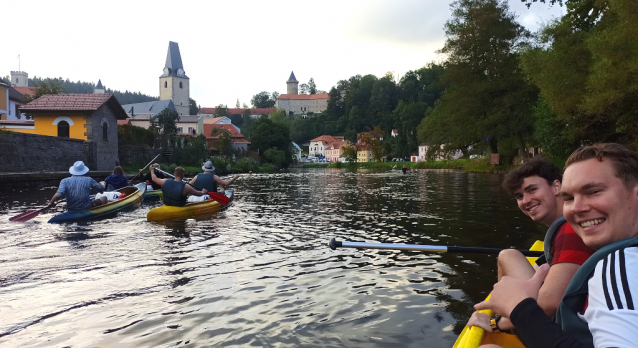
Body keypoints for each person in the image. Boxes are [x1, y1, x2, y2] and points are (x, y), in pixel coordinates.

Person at [475, 143, 638, 348]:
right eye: (570, 198)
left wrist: (507, 316)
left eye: (594, 191)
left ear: (555, 187)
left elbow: (550, 302)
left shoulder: (620, 264)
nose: (578, 208)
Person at [467, 157, 594, 335]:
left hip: (560, 329)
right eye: (519, 196)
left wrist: (496, 323)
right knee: (508, 256)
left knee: (508, 255)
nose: (526, 200)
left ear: (557, 186)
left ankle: (509, 324)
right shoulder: (567, 227)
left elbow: (550, 302)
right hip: (563, 317)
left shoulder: (570, 230)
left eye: (532, 190)